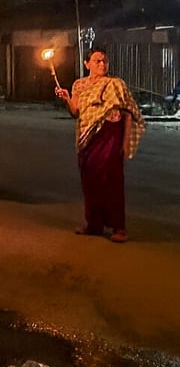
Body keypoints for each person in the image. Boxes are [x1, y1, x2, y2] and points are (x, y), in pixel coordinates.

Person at [55, 47, 145, 243]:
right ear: (87, 64)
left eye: (104, 61)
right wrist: (67, 98)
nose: (102, 64)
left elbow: (128, 114)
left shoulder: (115, 84)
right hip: (87, 137)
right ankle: (93, 224)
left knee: (111, 180)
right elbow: (76, 111)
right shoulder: (79, 85)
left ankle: (118, 227)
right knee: (90, 181)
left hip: (110, 136)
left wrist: (125, 142)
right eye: (97, 61)